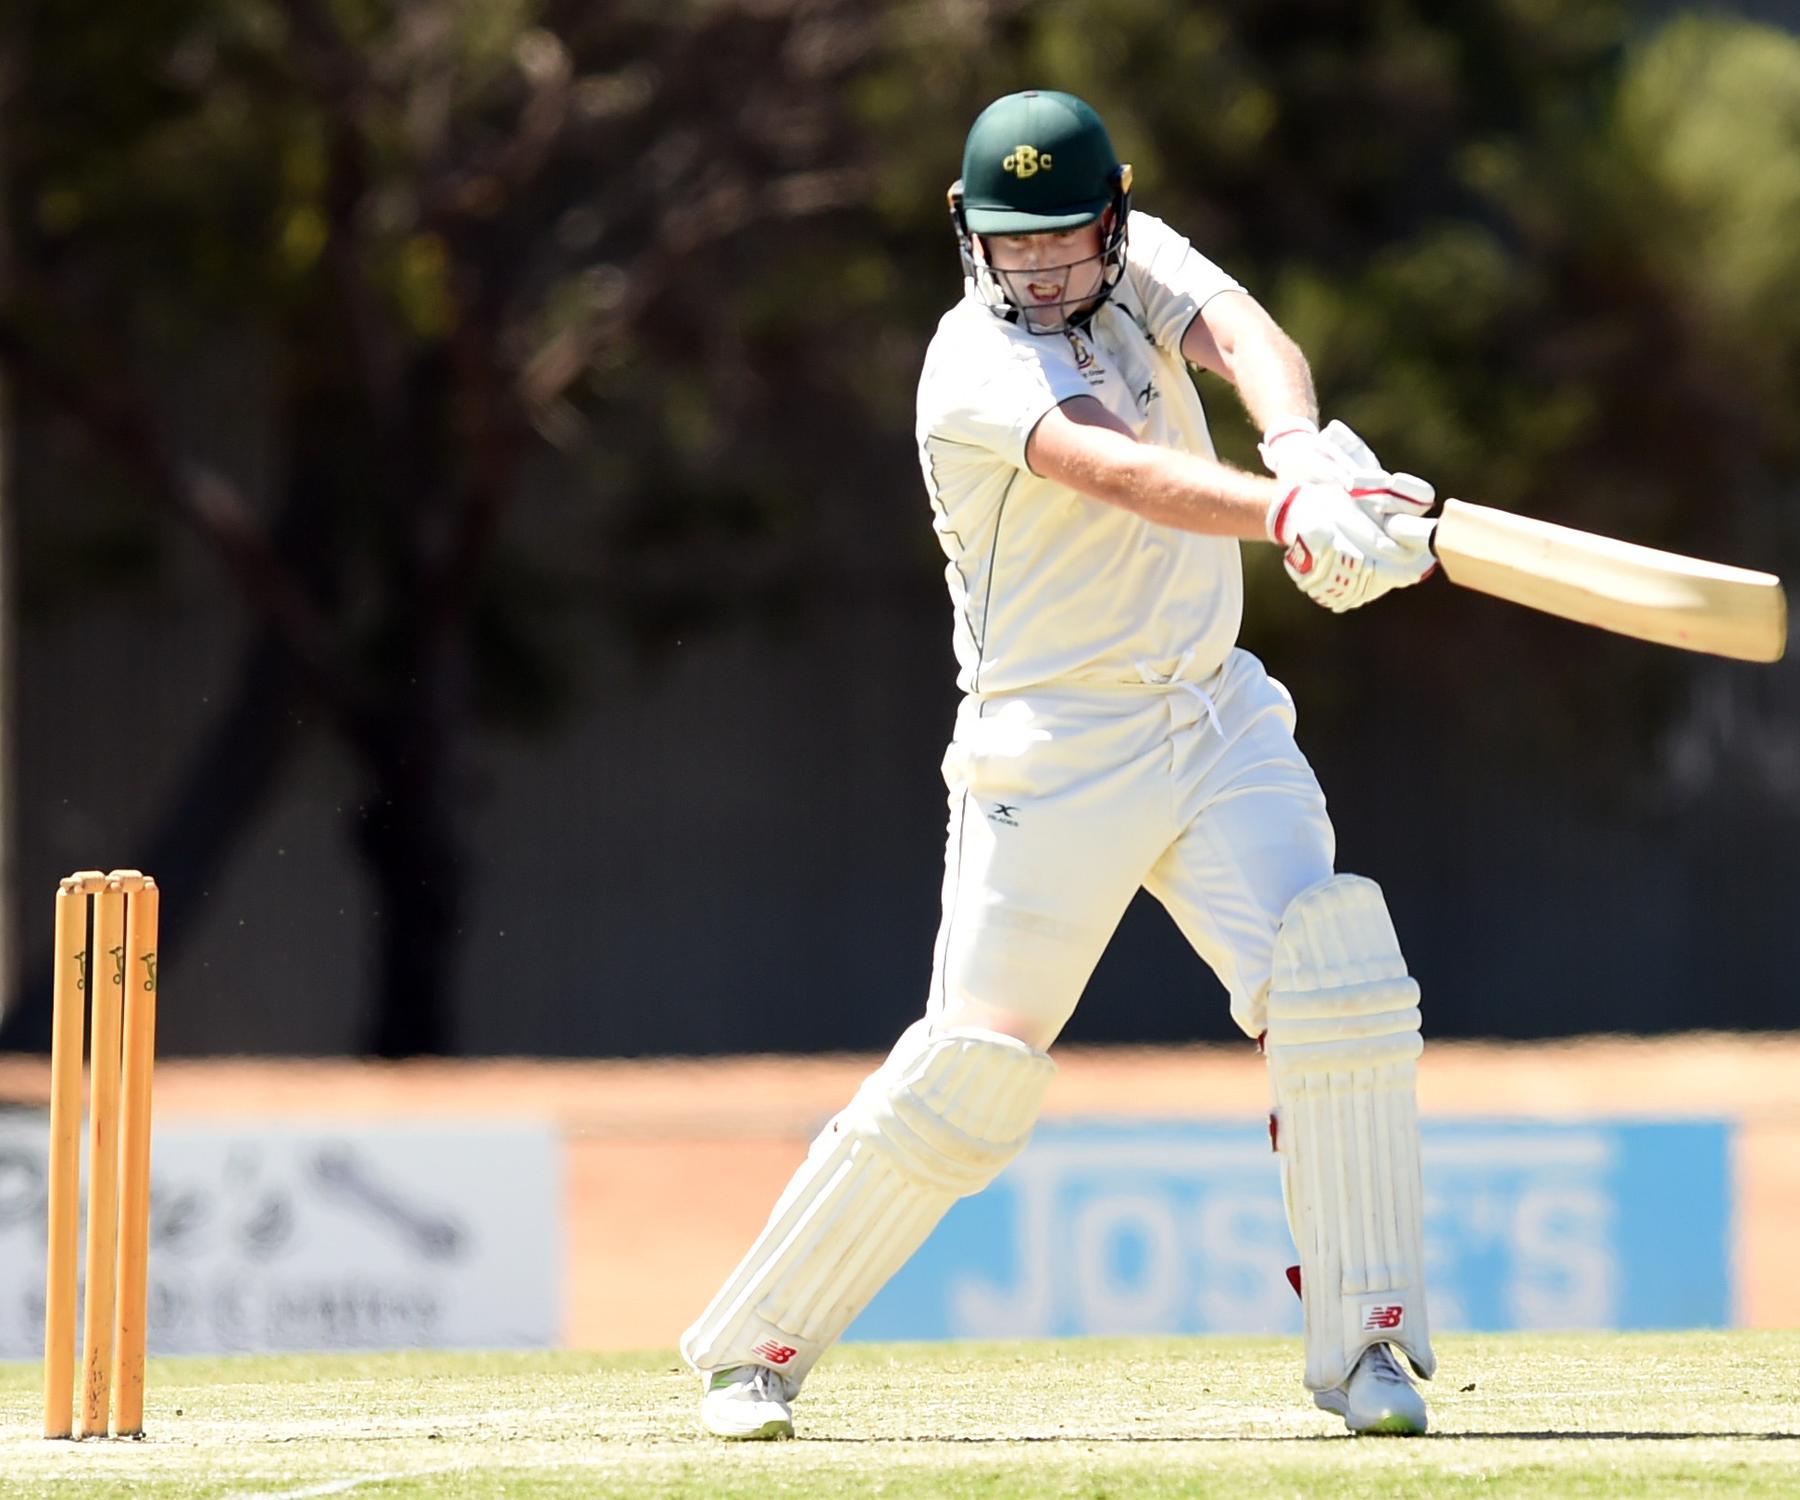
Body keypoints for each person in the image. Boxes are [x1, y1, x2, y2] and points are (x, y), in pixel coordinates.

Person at [681, 88, 1437, 1440]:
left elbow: (1241, 332)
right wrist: (1291, 516)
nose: (1038, 267)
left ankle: (1367, 1350)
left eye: (1064, 241)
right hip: (1053, 745)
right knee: (977, 1068)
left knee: (1335, 984)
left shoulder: (1137, 270)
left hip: (1211, 719)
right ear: (969, 232)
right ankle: (756, 1349)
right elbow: (1118, 468)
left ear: (1114, 215)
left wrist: (1301, 443)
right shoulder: (971, 365)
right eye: (1010, 241)